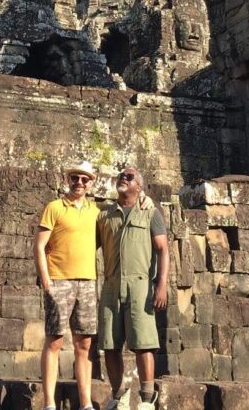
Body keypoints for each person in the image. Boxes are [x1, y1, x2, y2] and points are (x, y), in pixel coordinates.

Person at [97, 167, 169, 410]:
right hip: (111, 284)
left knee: (144, 342)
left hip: (140, 285)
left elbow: (163, 249)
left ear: (139, 186)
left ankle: (147, 398)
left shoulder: (150, 212)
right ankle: (118, 395)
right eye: (121, 176)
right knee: (109, 342)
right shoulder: (105, 215)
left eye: (129, 177)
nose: (123, 179)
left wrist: (161, 284)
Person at [34, 161, 101, 410]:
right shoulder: (54, 207)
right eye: (75, 178)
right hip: (58, 280)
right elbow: (40, 245)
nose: (79, 183)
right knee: (55, 340)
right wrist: (46, 281)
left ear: (91, 183)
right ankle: (49, 403)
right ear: (67, 179)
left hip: (87, 282)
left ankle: (85, 403)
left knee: (84, 344)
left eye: (85, 179)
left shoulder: (96, 212)